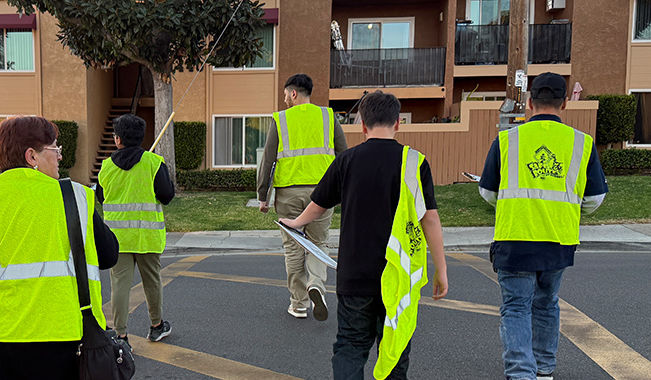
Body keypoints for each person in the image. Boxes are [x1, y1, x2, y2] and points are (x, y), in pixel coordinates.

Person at [280, 91, 449, 380]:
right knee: (395, 350)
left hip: (354, 276)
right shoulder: (414, 162)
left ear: (362, 125)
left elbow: (319, 204)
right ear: (398, 123)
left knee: (350, 347)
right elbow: (429, 219)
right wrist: (441, 270)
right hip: (396, 278)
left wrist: (295, 222)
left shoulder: (347, 160)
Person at [0, 116, 121, 379]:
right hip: (64, 335)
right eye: (54, 149)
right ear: (31, 156)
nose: (59, 156)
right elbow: (109, 255)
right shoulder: (74, 197)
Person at [477, 73, 608, 380]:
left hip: (515, 236)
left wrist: (513, 205)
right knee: (547, 303)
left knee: (516, 307)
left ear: (531, 102)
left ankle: (522, 372)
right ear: (564, 103)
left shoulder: (508, 140)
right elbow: (595, 198)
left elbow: (487, 192)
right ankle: (544, 368)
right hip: (558, 240)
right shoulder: (581, 143)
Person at [257, 73, 348, 320]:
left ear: (294, 93)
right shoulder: (328, 117)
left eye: (286, 93)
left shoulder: (281, 119)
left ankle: (298, 303)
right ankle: (316, 283)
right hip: (323, 191)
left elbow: (268, 160)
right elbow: (344, 155)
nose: (284, 98)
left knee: (293, 247)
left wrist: (262, 196)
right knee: (319, 242)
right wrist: (345, 189)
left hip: (289, 193)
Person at [96, 114, 176, 342]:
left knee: (119, 285)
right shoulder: (153, 163)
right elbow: (167, 196)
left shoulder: (106, 167)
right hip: (147, 238)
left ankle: (120, 334)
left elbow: (101, 198)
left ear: (118, 139)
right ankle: (156, 325)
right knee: (152, 281)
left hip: (117, 238)